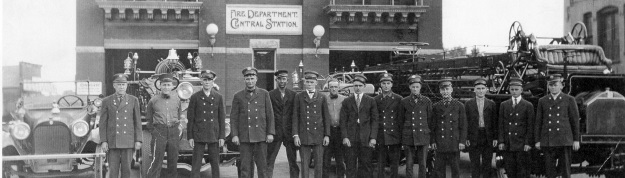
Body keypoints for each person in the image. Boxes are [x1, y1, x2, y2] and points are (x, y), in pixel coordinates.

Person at [230, 67, 276, 178]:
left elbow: (270, 115)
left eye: (252, 78)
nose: (250, 81)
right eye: (247, 79)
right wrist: (235, 135)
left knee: (262, 166)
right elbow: (234, 117)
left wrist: (270, 133)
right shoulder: (238, 96)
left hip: (260, 136)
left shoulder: (264, 94)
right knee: (245, 167)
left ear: (256, 79)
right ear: (244, 80)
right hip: (245, 136)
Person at [535, 74, 580, 178]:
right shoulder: (542, 101)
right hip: (548, 140)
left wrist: (576, 140)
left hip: (564, 140)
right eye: (550, 85)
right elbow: (538, 122)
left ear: (561, 85)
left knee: (565, 171)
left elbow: (575, 121)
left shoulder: (569, 99)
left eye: (555, 85)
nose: (553, 87)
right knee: (549, 172)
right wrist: (537, 140)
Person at [99, 73, 142, 178]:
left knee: (127, 169)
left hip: (128, 141)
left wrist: (138, 140)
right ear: (114, 85)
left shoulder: (133, 100)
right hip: (113, 141)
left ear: (127, 85)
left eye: (123, 84)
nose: (121, 87)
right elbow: (103, 123)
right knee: (113, 170)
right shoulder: (106, 101)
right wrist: (104, 141)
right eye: (119, 84)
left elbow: (137, 122)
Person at [187, 70, 225, 178]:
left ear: (213, 82)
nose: (207, 82)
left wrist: (222, 136)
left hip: (214, 134)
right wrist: (190, 137)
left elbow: (221, 118)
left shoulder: (218, 97)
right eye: (205, 80)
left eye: (209, 80)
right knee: (196, 165)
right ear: (201, 81)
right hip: (199, 134)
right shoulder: (195, 97)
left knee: (215, 164)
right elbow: (191, 118)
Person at [293, 71, 331, 178]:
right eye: (307, 82)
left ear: (316, 83)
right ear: (304, 83)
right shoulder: (299, 96)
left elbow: (326, 117)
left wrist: (327, 135)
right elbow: (295, 117)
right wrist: (295, 135)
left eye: (311, 82)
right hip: (304, 135)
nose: (309, 84)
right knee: (305, 164)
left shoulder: (322, 97)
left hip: (318, 135)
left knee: (319, 164)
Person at [340, 74, 379, 178]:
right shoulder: (347, 101)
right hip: (351, 139)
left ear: (364, 86)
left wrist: (373, 138)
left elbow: (375, 121)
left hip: (366, 139)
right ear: (353, 86)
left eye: (360, 85)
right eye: (355, 85)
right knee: (350, 166)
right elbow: (343, 121)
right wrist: (345, 137)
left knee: (366, 165)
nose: (357, 88)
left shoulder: (371, 101)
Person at [145, 73, 184, 178]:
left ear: (172, 86)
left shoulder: (177, 100)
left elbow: (179, 115)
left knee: (173, 160)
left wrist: (176, 127)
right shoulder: (153, 100)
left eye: (168, 85)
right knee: (156, 160)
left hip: (173, 132)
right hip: (159, 132)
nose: (166, 87)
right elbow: (148, 118)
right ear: (160, 86)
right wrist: (154, 131)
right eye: (164, 85)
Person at [498, 76, 534, 178]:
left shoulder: (528, 105)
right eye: (512, 89)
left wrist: (528, 142)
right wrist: (501, 141)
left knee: (522, 171)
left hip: (522, 144)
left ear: (521, 90)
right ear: (509, 89)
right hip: (509, 144)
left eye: (516, 89)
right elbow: (501, 124)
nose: (514, 92)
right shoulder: (504, 105)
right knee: (510, 171)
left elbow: (530, 126)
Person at [431, 77, 467, 178]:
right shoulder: (436, 106)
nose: (445, 92)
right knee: (439, 170)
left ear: (451, 90)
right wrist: (433, 141)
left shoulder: (459, 106)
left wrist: (462, 141)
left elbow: (463, 125)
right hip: (440, 142)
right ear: (440, 91)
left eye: (447, 89)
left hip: (454, 143)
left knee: (455, 169)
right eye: (443, 90)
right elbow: (433, 126)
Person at [267, 69, 299, 178]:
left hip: (289, 133)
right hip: (275, 132)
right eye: (279, 79)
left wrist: (295, 133)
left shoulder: (293, 95)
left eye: (284, 79)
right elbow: (269, 115)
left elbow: (295, 115)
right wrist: (269, 132)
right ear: (276, 80)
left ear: (287, 80)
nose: (282, 81)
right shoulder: (270, 94)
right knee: (269, 161)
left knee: (293, 162)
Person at [399, 75, 432, 178]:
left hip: (423, 136)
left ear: (420, 87)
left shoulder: (427, 101)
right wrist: (402, 139)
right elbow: (401, 120)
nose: (415, 89)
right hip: (409, 136)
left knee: (423, 164)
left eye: (417, 86)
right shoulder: (404, 101)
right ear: (409, 87)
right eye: (413, 86)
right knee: (409, 164)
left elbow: (430, 120)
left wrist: (430, 139)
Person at [465, 78, 497, 178]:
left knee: (487, 165)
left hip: (487, 137)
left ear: (486, 89)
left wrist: (495, 138)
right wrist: (466, 138)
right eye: (478, 88)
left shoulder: (491, 104)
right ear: (474, 90)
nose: (481, 91)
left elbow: (494, 122)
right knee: (475, 165)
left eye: (483, 88)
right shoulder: (468, 104)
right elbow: (465, 122)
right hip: (474, 136)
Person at [373, 73, 402, 178]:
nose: (386, 85)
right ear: (380, 85)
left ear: (392, 85)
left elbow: (400, 119)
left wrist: (400, 137)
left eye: (388, 83)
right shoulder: (376, 99)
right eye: (383, 83)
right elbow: (375, 119)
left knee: (394, 163)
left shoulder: (399, 99)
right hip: (381, 135)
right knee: (381, 162)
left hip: (394, 135)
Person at [322, 79, 347, 178]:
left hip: (340, 132)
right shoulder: (324, 99)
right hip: (328, 132)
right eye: (331, 87)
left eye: (335, 87)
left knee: (340, 159)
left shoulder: (344, 99)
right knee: (326, 159)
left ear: (339, 88)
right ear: (328, 88)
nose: (333, 89)